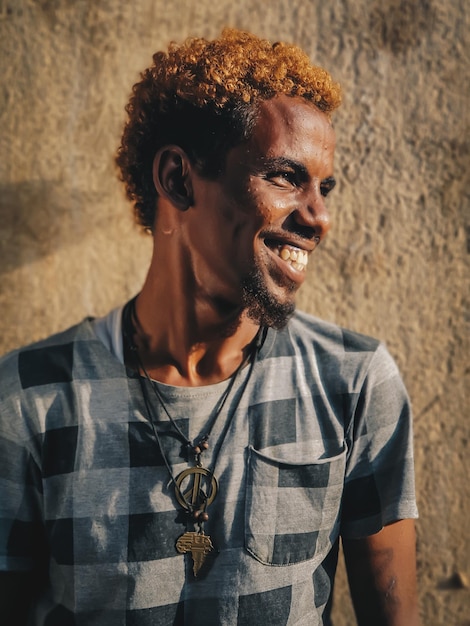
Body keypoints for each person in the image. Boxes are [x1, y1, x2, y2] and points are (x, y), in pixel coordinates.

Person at [0, 28, 420, 625]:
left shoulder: (354, 385)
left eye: (324, 188)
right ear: (177, 178)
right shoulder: (31, 398)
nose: (319, 217)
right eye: (284, 177)